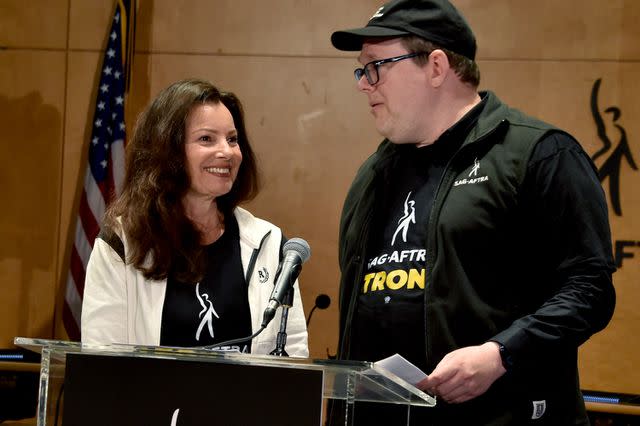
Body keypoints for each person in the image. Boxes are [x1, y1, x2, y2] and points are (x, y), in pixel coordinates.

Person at [330, 0, 616, 424]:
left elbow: (590, 290)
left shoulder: (537, 154)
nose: (363, 84)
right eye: (362, 69)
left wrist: (501, 354)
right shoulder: (373, 173)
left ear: (437, 66)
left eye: (376, 66)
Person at [81, 78, 308, 357]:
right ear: (168, 151)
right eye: (206, 139)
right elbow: (100, 361)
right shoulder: (121, 243)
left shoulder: (270, 244)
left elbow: (293, 355)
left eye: (232, 139)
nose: (227, 152)